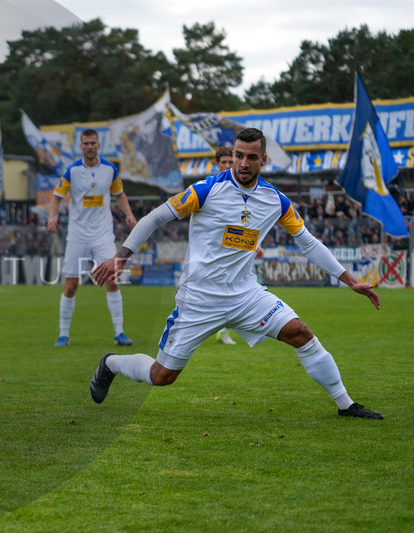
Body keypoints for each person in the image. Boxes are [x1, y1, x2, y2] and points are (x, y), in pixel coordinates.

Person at [89, 128, 384, 420]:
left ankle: (346, 405)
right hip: (199, 301)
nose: (243, 163)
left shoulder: (276, 201)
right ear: (232, 155)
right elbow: (156, 217)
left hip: (246, 296)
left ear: (263, 160)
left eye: (251, 157)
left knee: (301, 333)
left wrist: (351, 281)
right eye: (238, 156)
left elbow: (308, 242)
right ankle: (111, 363)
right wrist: (121, 256)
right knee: (162, 376)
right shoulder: (206, 190)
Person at [47, 128, 137, 348]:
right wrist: (52, 217)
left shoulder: (109, 169)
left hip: (102, 235)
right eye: (85, 143)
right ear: (81, 146)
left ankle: (120, 333)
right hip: (77, 235)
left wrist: (129, 214)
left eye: (93, 143)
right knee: (71, 285)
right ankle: (63, 335)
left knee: (112, 280)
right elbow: (57, 197)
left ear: (98, 145)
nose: (89, 146)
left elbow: (120, 195)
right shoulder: (72, 171)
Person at [212, 146, 239, 345]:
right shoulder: (209, 188)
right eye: (224, 162)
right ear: (217, 164)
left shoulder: (240, 189)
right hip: (211, 251)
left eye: (231, 162)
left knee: (234, 291)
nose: (228, 166)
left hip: (233, 250)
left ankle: (223, 331)